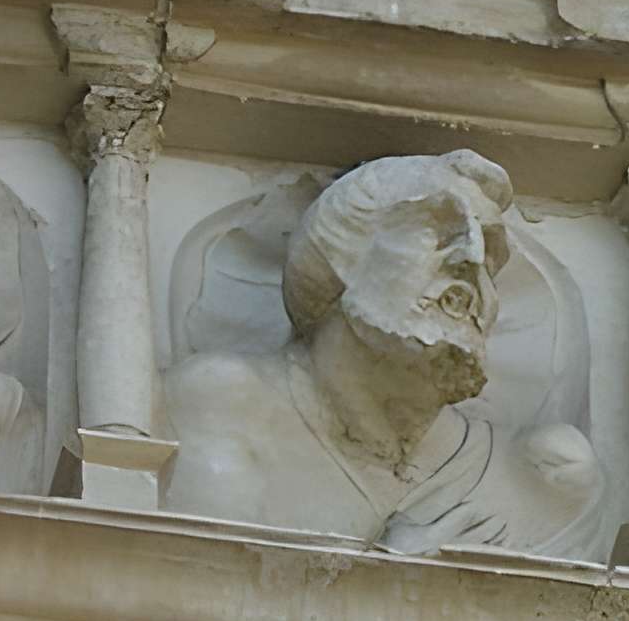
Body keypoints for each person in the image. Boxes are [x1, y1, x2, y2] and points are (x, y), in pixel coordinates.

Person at [166, 150, 596, 551]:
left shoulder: (533, 478)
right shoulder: (225, 404)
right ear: (339, 258)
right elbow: (190, 602)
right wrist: (387, 579)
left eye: (489, 254)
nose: (472, 257)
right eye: (439, 231)